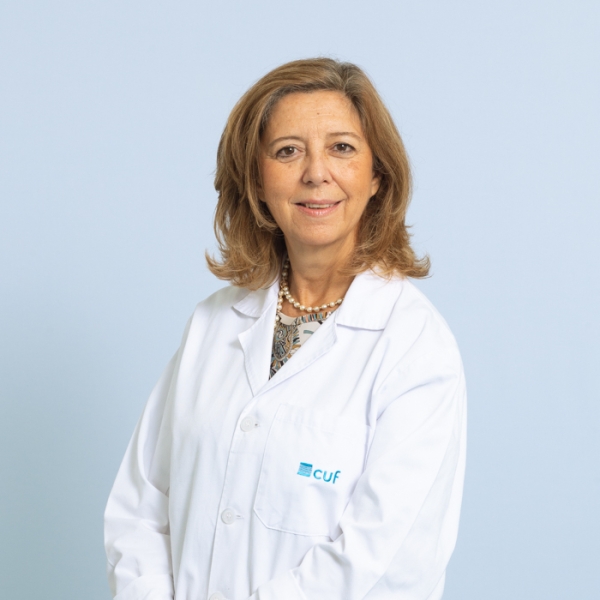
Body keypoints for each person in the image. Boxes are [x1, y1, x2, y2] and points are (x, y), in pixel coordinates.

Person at [104, 57, 467, 600]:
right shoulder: (212, 325)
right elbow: (141, 507)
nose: (316, 172)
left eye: (341, 147)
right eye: (287, 151)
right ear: (257, 181)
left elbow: (389, 561)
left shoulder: (414, 345)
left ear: (377, 176)